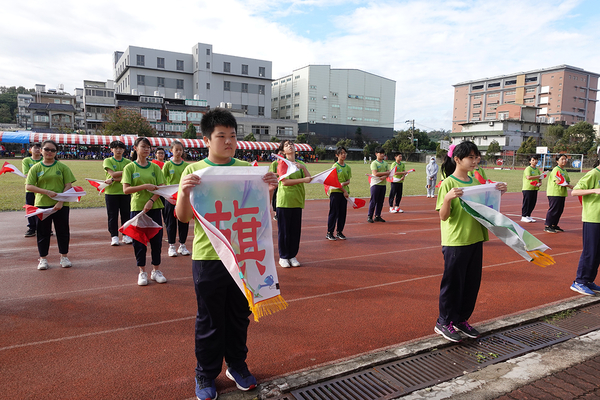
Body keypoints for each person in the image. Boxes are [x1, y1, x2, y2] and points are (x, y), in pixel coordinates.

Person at [175, 108, 278, 400]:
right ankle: (205, 373)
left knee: (238, 315)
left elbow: (256, 210)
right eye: (221, 136)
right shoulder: (194, 171)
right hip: (209, 257)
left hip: (243, 255)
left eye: (233, 136)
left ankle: (236, 365)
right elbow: (183, 219)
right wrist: (183, 192)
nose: (229, 141)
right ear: (207, 139)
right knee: (209, 318)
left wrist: (267, 190)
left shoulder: (246, 168)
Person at [435, 141, 507, 342]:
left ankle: (461, 319)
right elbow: (443, 216)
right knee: (453, 283)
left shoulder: (476, 183)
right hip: (457, 240)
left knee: (471, 283)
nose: (476, 161)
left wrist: (498, 191)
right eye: (471, 157)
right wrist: (448, 198)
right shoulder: (448, 183)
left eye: (477, 157)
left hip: (475, 238)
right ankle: (444, 321)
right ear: (457, 159)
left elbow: (487, 209)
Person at [25, 140, 76, 270]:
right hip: (42, 205)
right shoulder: (35, 168)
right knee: (43, 232)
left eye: (53, 150)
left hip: (61, 205)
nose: (49, 152)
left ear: (56, 152)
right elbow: (29, 186)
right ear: (41, 150)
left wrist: (61, 201)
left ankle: (64, 256)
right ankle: (43, 258)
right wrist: (46, 192)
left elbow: (68, 185)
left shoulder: (62, 167)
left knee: (63, 231)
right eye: (47, 149)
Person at [122, 137, 167, 286]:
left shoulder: (155, 167)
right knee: (139, 241)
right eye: (143, 147)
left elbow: (161, 187)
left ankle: (156, 270)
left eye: (149, 147)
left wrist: (152, 200)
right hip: (137, 208)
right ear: (135, 148)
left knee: (156, 241)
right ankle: (142, 272)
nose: (147, 149)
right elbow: (126, 189)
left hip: (154, 207)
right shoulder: (130, 168)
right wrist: (144, 186)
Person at [276, 139, 311, 267]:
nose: (290, 146)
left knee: (295, 231)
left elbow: (309, 178)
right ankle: (283, 256)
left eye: (291, 144)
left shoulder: (300, 163)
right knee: (284, 231)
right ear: (283, 151)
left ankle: (292, 255)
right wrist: (303, 179)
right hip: (285, 201)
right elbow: (284, 182)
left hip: (297, 200)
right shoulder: (282, 163)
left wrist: (303, 168)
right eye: (286, 145)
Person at [569, 153, 600, 296]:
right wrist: (594, 190)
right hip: (592, 218)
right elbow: (575, 191)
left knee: (597, 253)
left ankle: (588, 280)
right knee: (590, 251)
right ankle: (579, 282)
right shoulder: (593, 174)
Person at [162, 140, 190, 257]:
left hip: (183, 198)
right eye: (176, 150)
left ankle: (182, 245)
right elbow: (163, 181)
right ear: (171, 151)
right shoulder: (168, 165)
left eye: (180, 150)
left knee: (184, 221)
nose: (178, 152)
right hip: (170, 199)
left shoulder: (186, 166)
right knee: (171, 222)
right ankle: (172, 246)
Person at [103, 140, 132, 246]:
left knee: (126, 214)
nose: (118, 150)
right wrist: (126, 172)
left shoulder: (128, 162)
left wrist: (114, 180)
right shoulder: (108, 161)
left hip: (125, 191)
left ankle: (126, 235)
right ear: (111, 150)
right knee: (112, 215)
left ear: (124, 150)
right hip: (111, 192)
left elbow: (128, 178)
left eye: (120, 148)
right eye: (116, 148)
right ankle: (114, 236)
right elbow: (113, 174)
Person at [326, 146, 351, 241]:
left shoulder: (348, 167)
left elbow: (348, 180)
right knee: (334, 213)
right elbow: (334, 182)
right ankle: (329, 232)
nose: (344, 155)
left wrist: (344, 184)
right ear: (337, 155)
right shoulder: (335, 167)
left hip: (344, 194)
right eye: (341, 153)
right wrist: (344, 190)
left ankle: (339, 231)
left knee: (342, 213)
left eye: (345, 153)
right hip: (336, 192)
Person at [544, 155, 573, 233]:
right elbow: (557, 181)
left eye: (565, 159)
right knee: (554, 209)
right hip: (555, 192)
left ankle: (554, 225)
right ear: (557, 161)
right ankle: (548, 226)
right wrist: (570, 186)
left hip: (562, 193)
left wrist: (568, 184)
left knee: (559, 210)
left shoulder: (564, 170)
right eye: (562, 159)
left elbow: (567, 180)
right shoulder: (556, 169)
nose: (564, 161)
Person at [22, 143, 42, 237]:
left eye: (39, 148)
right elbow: (27, 174)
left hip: (43, 189)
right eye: (35, 148)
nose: (37, 150)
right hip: (31, 189)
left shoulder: (44, 160)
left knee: (43, 208)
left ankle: (44, 227)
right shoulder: (26, 160)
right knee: (30, 208)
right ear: (30, 149)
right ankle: (32, 228)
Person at [367, 147, 389, 223]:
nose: (382, 155)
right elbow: (375, 173)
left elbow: (389, 173)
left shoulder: (385, 163)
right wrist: (385, 174)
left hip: (383, 184)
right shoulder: (374, 163)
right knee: (373, 200)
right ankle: (370, 216)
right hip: (375, 184)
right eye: (381, 153)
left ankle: (377, 215)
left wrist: (385, 176)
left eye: (383, 153)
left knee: (381, 201)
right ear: (376, 154)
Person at [521, 156, 543, 223]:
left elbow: (540, 178)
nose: (535, 161)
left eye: (536, 160)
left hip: (535, 188)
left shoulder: (537, 169)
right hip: (528, 188)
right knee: (527, 202)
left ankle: (528, 215)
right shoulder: (528, 168)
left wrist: (540, 182)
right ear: (530, 161)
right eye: (533, 160)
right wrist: (538, 176)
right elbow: (528, 177)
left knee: (533, 203)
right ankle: (524, 216)